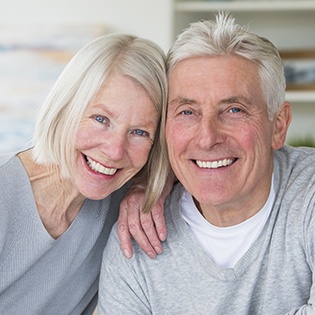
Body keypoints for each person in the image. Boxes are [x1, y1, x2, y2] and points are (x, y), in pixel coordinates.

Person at [99, 12, 315, 314]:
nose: (207, 138)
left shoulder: (308, 194)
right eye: (187, 112)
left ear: (278, 125)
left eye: (234, 110)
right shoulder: (135, 238)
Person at [0, 33, 169, 314]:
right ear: (66, 108)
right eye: (101, 119)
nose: (115, 151)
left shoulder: (120, 202)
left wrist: (154, 188)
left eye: (140, 132)